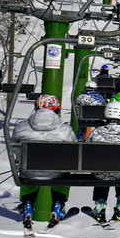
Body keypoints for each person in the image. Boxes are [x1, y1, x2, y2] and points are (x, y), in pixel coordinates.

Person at [12, 94, 76, 227]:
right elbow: (74, 150)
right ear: (57, 109)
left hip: (29, 172)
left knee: (26, 171)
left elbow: (14, 145)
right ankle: (58, 204)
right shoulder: (65, 130)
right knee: (64, 173)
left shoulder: (21, 127)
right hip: (56, 174)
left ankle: (27, 204)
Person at [88, 100, 120, 222]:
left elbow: (88, 147)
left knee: (101, 171)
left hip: (100, 173)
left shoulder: (97, 132)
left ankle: (100, 206)